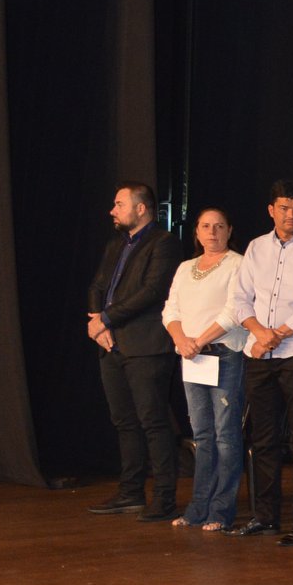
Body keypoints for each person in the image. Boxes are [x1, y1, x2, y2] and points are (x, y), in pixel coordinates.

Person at [228, 181, 293, 545]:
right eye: (285, 208)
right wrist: (260, 332)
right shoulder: (256, 248)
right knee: (263, 439)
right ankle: (265, 516)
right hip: (258, 354)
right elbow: (239, 299)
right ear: (271, 210)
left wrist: (278, 334)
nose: (292, 215)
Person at [85, 183, 183, 519]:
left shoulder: (163, 243)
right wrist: (97, 322)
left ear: (141, 208)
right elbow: (97, 285)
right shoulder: (116, 245)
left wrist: (106, 319)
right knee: (124, 422)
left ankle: (164, 499)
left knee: (153, 422)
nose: (112, 211)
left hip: (146, 345)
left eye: (119, 204)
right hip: (112, 344)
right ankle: (131, 492)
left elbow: (152, 291)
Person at [161, 207, 249, 531]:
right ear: (196, 232)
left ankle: (220, 511)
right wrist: (182, 340)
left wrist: (198, 341)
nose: (212, 232)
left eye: (219, 226)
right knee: (202, 434)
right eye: (206, 226)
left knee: (225, 434)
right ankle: (198, 508)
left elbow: (234, 312)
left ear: (229, 231)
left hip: (224, 355)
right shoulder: (185, 268)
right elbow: (170, 310)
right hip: (193, 358)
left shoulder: (238, 264)